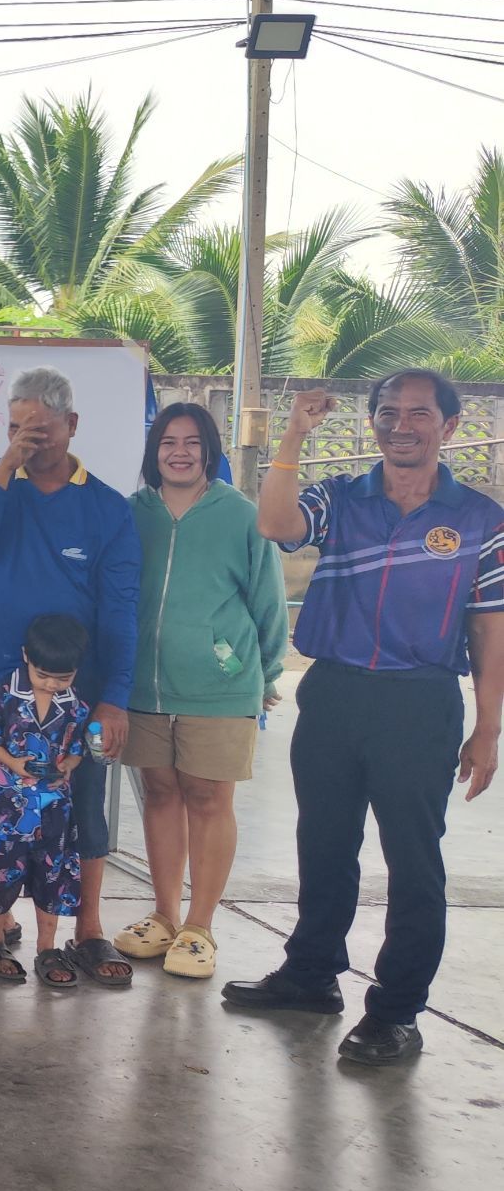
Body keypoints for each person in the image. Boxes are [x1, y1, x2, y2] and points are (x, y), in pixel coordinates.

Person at [227, 373, 503, 1066]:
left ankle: (396, 1011)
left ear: (451, 425)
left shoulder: (481, 520)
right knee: (323, 842)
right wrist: (294, 434)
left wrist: (488, 727)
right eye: (387, 412)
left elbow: (489, 627)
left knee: (413, 860)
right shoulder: (341, 497)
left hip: (420, 703)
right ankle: (311, 974)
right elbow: (275, 524)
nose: (400, 425)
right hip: (334, 693)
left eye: (419, 413)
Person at [0, 366, 139, 986]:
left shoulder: (107, 508)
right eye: (15, 429)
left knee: (80, 806)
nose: (28, 441)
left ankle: (87, 928)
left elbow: (122, 609)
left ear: (72, 425)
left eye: (40, 430)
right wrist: (7, 463)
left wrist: (114, 698)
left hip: (73, 696)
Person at [113, 403, 288, 981]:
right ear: (154, 451)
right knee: (160, 793)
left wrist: (264, 673)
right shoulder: (131, 513)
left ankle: (199, 928)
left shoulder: (241, 515)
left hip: (221, 685)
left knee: (209, 799)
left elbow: (268, 601)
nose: (180, 452)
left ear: (209, 451)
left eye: (192, 442)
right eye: (168, 442)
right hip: (143, 686)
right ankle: (164, 915)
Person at [0, 614, 92, 990]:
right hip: (3, 806)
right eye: (43, 675)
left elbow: (78, 747)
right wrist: (13, 762)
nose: (52, 684)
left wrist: (70, 764)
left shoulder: (75, 705)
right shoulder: (1, 693)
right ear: (26, 657)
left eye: (62, 678)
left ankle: (47, 948)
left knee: (52, 873)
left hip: (53, 808)